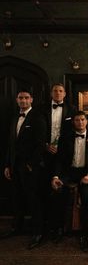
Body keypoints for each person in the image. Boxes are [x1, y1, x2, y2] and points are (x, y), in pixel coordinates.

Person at [42, 83, 88, 224]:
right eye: (55, 91)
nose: (58, 93)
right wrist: (45, 145)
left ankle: (82, 232)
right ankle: (54, 227)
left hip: (66, 150)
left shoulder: (72, 109)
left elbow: (82, 120)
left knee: (85, 197)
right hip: (46, 154)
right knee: (50, 192)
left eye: (61, 91)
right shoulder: (42, 109)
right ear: (51, 93)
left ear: (65, 93)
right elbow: (37, 130)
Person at [49, 111, 88, 250]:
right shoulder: (66, 137)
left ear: (87, 121)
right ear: (73, 122)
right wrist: (56, 177)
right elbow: (59, 160)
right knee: (57, 194)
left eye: (82, 120)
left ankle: (84, 234)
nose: (80, 122)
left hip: (85, 173)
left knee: (87, 198)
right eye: (77, 120)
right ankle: (59, 228)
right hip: (69, 173)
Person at [3, 89, 47, 249]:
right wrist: (8, 164)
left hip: (30, 167)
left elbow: (41, 144)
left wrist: (31, 164)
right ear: (16, 100)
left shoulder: (37, 117)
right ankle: (16, 227)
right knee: (17, 197)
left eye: (26, 98)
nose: (23, 100)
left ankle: (37, 232)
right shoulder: (15, 117)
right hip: (14, 165)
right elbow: (11, 144)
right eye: (20, 98)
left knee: (33, 199)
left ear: (31, 100)